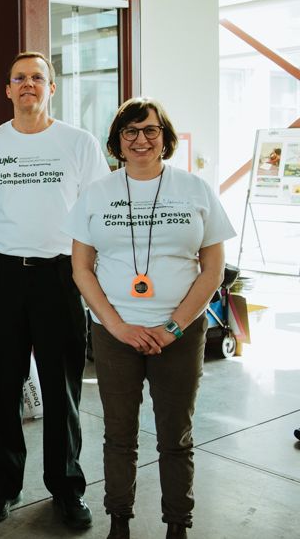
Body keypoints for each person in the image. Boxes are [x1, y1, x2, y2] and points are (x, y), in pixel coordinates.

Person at [65, 98, 235, 539]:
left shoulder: (195, 190)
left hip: (180, 332)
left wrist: (174, 326)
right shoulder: (96, 193)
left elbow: (212, 268)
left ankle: (178, 523)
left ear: (165, 138)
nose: (141, 139)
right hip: (114, 332)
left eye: (150, 130)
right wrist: (117, 326)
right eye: (130, 132)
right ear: (118, 142)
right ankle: (118, 520)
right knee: (119, 435)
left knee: (175, 436)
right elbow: (81, 268)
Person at [0, 51, 110, 530]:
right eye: (19, 77)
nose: (28, 84)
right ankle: (4, 485)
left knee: (61, 387)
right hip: (3, 275)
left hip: (60, 276)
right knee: (3, 386)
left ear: (51, 87)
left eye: (37, 78)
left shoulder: (79, 143)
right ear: (7, 89)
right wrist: (10, 246)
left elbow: (96, 212)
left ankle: (66, 488)